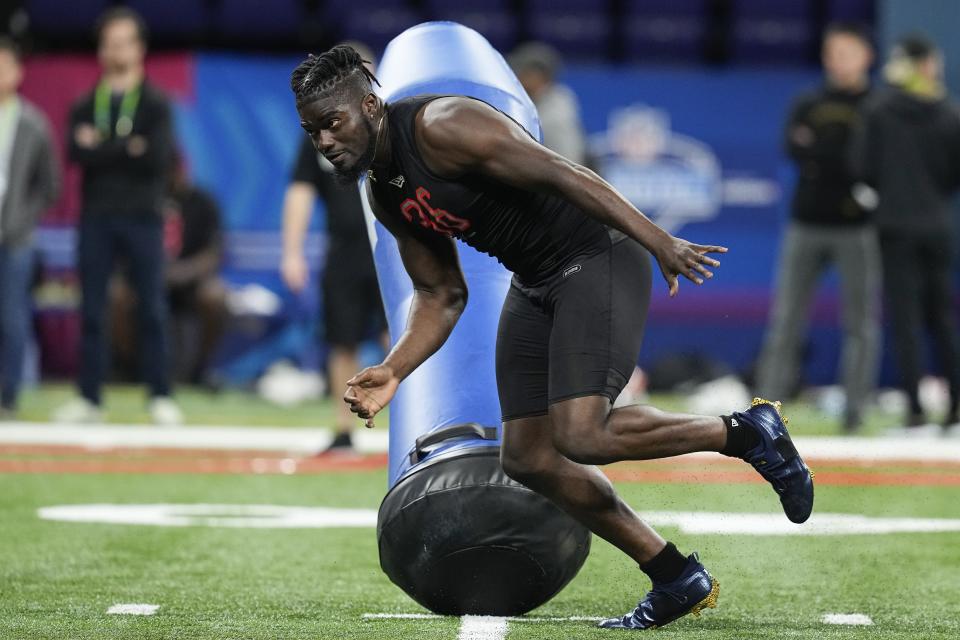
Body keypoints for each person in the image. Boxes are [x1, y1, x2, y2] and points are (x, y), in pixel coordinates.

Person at [291, 46, 814, 630]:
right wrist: (393, 369)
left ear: (369, 104)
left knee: (583, 434)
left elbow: (569, 173)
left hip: (595, 257)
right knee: (529, 457)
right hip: (536, 280)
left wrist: (657, 239)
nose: (324, 141)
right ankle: (673, 575)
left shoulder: (443, 126)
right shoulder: (382, 190)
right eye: (313, 131)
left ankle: (745, 432)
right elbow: (441, 295)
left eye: (332, 123)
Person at [53, 7, 181, 426]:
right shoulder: (87, 101)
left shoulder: (156, 102)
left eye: (124, 42)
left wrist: (103, 146)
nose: (116, 50)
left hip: (143, 216)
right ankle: (89, 397)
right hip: (97, 216)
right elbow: (76, 153)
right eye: (109, 42)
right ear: (101, 49)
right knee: (91, 307)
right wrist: (127, 146)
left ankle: (160, 394)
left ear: (139, 48)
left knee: (151, 308)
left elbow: (156, 158)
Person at [755, 23, 879, 432]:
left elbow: (861, 157)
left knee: (860, 322)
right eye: (832, 52)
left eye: (846, 52)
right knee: (786, 318)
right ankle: (766, 413)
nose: (838, 60)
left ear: (865, 56)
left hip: (857, 227)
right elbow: (794, 147)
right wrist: (841, 151)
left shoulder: (877, 105)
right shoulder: (807, 101)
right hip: (806, 222)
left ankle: (855, 410)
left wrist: (823, 148)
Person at [851, 34, 960, 433]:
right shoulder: (949, 114)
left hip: (895, 226)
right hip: (935, 225)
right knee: (942, 320)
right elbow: (953, 176)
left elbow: (860, 167)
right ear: (927, 64)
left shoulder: (878, 110)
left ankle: (915, 408)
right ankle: (956, 408)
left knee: (906, 320)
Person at [281, 44, 387, 453]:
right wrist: (292, 250)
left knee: (395, 334)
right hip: (343, 250)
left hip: (390, 246)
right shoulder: (318, 129)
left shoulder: (388, 123)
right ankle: (343, 429)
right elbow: (300, 190)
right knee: (340, 338)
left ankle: (414, 425)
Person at [112, 156, 227, 387]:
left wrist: (184, 273)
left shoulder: (202, 202)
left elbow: (214, 252)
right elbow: (124, 248)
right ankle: (133, 370)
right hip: (147, 277)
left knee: (215, 297)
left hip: (189, 282)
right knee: (116, 296)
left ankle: (198, 371)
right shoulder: (143, 199)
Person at [0, 36, 60, 419]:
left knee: (12, 317)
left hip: (15, 238)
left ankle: (8, 397)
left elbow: (49, 187)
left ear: (19, 72)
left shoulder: (33, 123)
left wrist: (22, 217)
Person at [508, 41, 587, 165]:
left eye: (523, 71)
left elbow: (569, 162)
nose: (517, 76)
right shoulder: (530, 100)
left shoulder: (557, 110)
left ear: (540, 76)